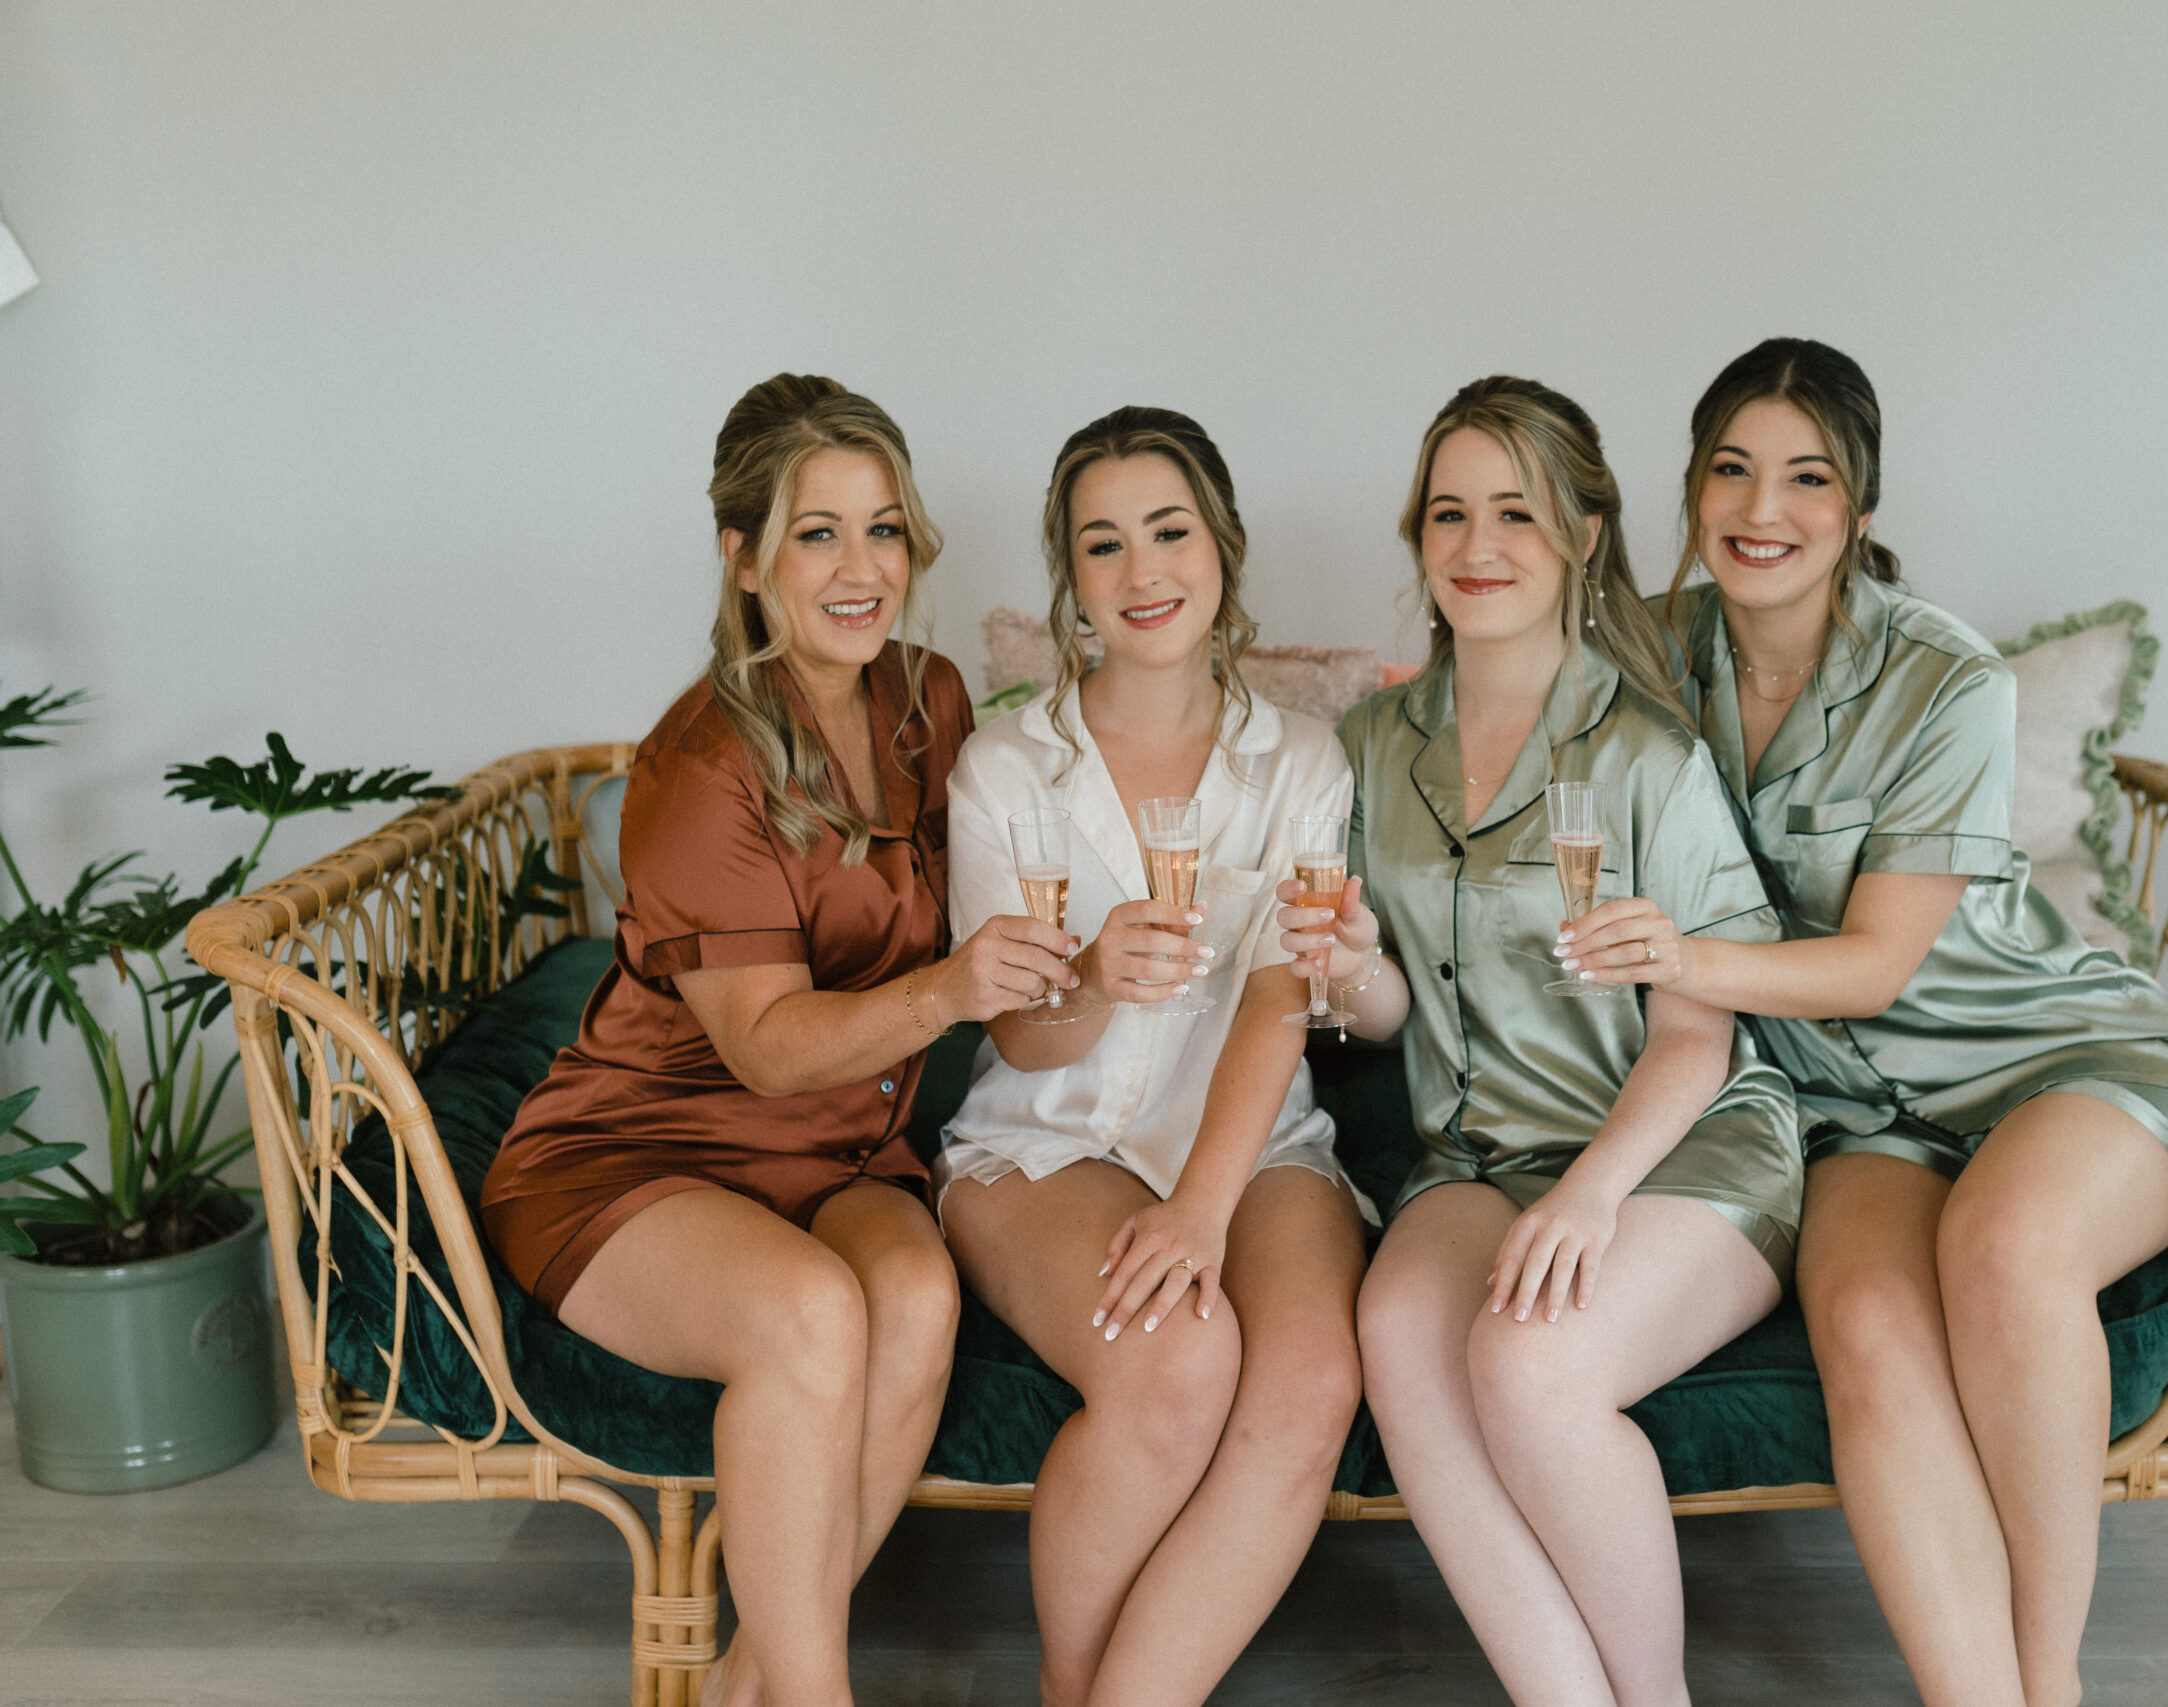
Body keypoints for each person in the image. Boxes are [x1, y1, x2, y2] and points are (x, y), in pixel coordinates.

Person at [1563, 338, 2168, 1707]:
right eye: (1732, 471)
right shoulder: (1646, 651)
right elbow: (1502, 675)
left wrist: (1685, 954)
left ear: (1859, 511)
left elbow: (1872, 966)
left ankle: (2051, 1686)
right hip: (1855, 1112)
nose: (1763, 509)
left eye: (1807, 478)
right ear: (1689, 490)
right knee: (1863, 1323)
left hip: (2059, 1062)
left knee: (2008, 1243)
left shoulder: (1947, 682)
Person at [480, 375, 1078, 1707]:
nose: (863, 568)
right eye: (818, 534)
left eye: (884, 528)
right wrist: (954, 990)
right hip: (634, 1154)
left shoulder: (928, 698)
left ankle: (752, 1685)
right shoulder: (698, 767)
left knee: (917, 1300)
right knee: (809, 1317)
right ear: (743, 555)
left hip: (842, 1150)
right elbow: (763, 1052)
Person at [1301, 376, 1802, 1706]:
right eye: (1449, 513)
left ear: (1585, 535)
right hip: (1473, 1156)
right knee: (1405, 1336)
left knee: (1528, 1365)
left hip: (1673, 1152)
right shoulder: (1366, 745)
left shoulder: (1648, 756)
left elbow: (1700, 1032)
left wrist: (1589, 1199)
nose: (1476, 546)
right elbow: (1391, 1011)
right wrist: (1351, 974)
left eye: (1515, 512)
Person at [934, 407, 1370, 1707]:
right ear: (1071, 580)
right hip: (1044, 1143)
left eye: (1169, 532)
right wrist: (1083, 972)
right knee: (1177, 1362)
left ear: (1222, 547)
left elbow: (1283, 998)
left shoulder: (1298, 760)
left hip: (1250, 1141)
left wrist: (1200, 1208)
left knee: (1310, 1378)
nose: (1143, 573)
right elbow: (1015, 1029)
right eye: (1104, 545)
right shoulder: (1006, 767)